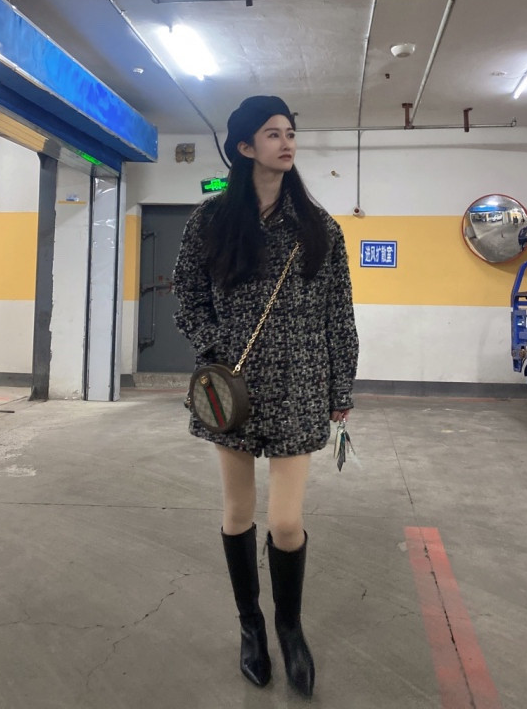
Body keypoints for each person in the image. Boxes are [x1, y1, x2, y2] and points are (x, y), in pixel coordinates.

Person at [173, 95, 358, 698]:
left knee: (285, 521)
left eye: (290, 133)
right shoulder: (211, 221)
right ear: (245, 147)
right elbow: (187, 297)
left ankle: (289, 627)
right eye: (273, 134)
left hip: (300, 385)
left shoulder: (319, 228)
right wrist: (214, 350)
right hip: (232, 390)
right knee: (237, 514)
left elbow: (338, 315)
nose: (287, 142)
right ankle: (250, 626)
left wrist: (341, 386)